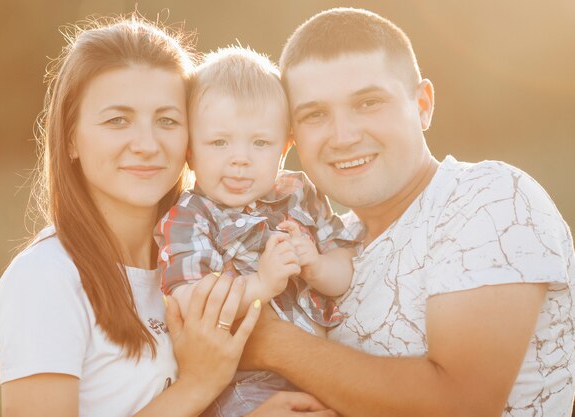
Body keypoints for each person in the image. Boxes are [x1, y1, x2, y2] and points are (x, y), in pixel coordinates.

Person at [0, 16, 337, 417]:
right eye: (117, 120)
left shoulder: (204, 255)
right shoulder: (47, 277)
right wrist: (197, 385)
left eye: (167, 121)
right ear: (70, 138)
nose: (146, 144)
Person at [239, 7, 575, 417]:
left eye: (368, 102)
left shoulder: (488, 196)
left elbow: (460, 403)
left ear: (423, 104)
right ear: (292, 138)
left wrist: (272, 344)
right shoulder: (323, 245)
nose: (343, 136)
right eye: (315, 114)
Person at [154, 46, 362, 416]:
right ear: (190, 151)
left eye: (260, 143)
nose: (240, 158)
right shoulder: (189, 218)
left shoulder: (298, 193)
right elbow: (191, 303)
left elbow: (344, 267)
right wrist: (261, 285)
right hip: (242, 384)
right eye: (219, 142)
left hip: (325, 366)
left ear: (285, 147)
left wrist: (316, 266)